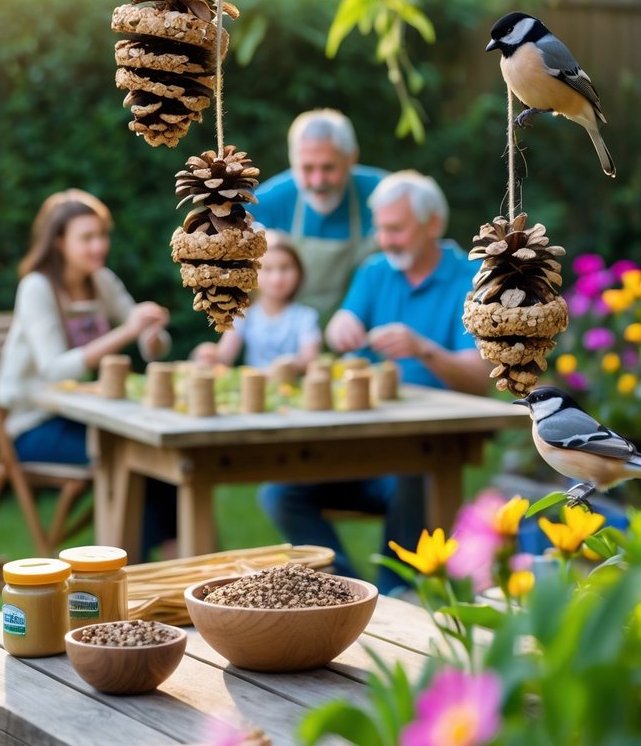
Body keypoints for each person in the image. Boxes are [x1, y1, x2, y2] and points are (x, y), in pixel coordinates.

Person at [257, 170, 488, 593]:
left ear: (433, 224)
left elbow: (480, 379)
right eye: (379, 229)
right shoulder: (375, 270)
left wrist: (423, 349)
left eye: (396, 229)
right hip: (359, 448)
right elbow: (341, 326)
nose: (385, 239)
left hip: (424, 449)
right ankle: (350, 590)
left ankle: (397, 590)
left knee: (412, 469)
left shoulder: (469, 279)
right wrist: (340, 327)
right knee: (279, 493)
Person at [0, 188, 175, 551]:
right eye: (87, 237)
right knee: (130, 457)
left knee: (159, 454)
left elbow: (152, 344)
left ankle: (173, 555)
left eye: (102, 235)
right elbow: (54, 370)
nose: (99, 246)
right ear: (59, 241)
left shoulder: (101, 279)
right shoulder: (37, 287)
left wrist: (151, 332)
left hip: (81, 415)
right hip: (32, 427)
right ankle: (133, 562)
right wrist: (128, 331)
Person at [251, 109, 386, 323]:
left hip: (358, 327)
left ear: (351, 159)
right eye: (307, 168)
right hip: (290, 331)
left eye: (328, 167)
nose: (318, 181)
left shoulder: (382, 194)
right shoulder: (270, 199)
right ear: (293, 161)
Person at [191, 231, 322, 372]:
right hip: (253, 385)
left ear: (299, 272)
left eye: (285, 268)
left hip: (292, 385)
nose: (276, 278)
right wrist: (209, 355)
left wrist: (291, 366)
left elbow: (309, 360)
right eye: (267, 269)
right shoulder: (244, 315)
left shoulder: (306, 317)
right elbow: (224, 357)